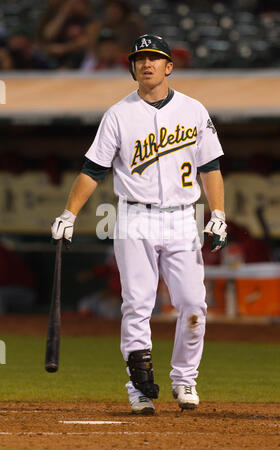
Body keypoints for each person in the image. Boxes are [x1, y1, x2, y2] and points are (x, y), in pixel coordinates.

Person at [51, 34, 227, 415]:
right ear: (132, 67)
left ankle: (185, 379)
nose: (146, 63)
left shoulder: (194, 110)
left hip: (183, 217)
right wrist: (69, 214)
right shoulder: (118, 114)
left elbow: (210, 166)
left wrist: (218, 215)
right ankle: (138, 389)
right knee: (138, 305)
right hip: (134, 216)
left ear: (169, 66)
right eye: (140, 58)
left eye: (154, 57)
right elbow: (92, 170)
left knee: (194, 305)